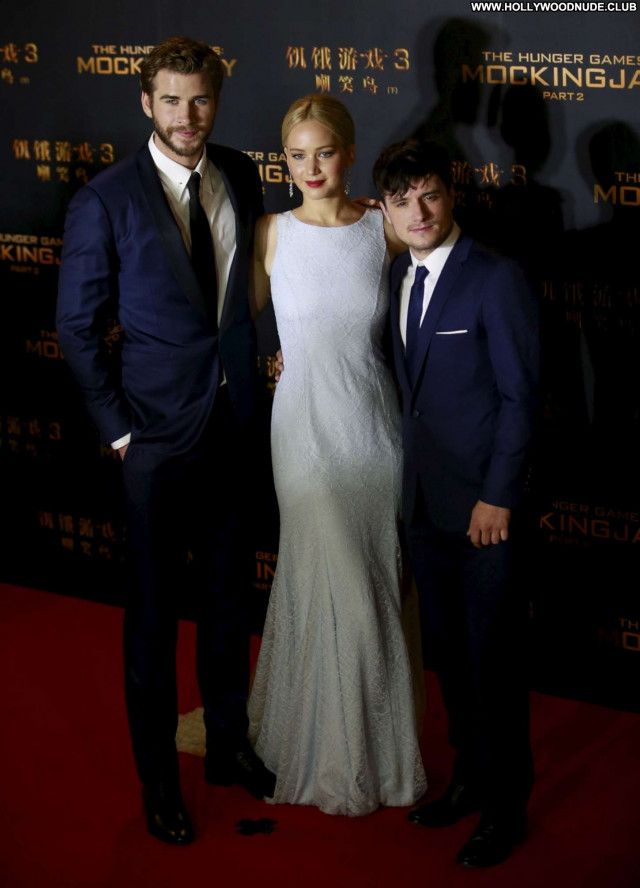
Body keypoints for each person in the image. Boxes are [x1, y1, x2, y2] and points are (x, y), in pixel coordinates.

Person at [56, 36, 274, 846]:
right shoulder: (104, 200)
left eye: (201, 99)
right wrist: (119, 431)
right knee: (152, 619)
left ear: (216, 101)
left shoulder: (241, 174)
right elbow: (76, 328)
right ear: (146, 103)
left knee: (229, 600)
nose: (188, 115)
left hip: (234, 426)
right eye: (173, 100)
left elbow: (245, 294)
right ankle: (159, 782)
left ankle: (227, 745)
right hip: (152, 440)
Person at [247, 95, 427, 816]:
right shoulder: (269, 232)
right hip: (303, 433)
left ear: (350, 154)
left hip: (374, 431)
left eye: (324, 152)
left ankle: (376, 753)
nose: (311, 168)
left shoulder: (383, 228)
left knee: (376, 588)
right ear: (284, 162)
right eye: (298, 156)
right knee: (335, 586)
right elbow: (234, 326)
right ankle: (330, 753)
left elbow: (440, 281)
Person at [373, 139, 539, 867]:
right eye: (402, 200)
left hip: (484, 513)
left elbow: (521, 398)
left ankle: (506, 808)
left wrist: (498, 497)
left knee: (493, 664)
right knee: (451, 660)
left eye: (430, 195)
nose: (418, 212)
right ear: (385, 209)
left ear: (452, 194)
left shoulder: (495, 276)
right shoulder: (395, 276)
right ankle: (469, 779)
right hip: (421, 506)